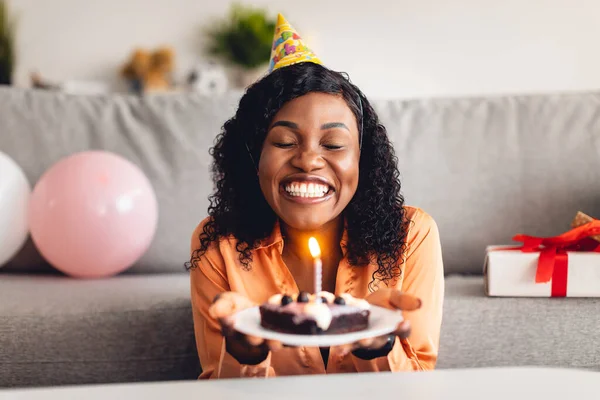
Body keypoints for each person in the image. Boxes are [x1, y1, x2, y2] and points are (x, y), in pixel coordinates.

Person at [187, 14, 444, 379]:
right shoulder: (219, 244)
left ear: (363, 160)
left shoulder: (412, 234)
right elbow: (219, 387)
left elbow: (418, 386)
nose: (308, 160)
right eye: (284, 142)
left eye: (334, 144)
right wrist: (244, 354)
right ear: (252, 158)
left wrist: (377, 346)